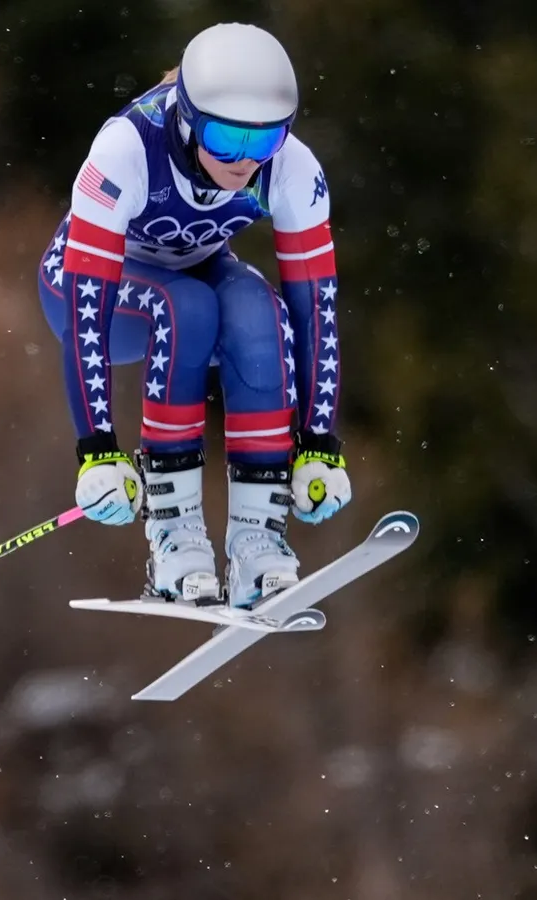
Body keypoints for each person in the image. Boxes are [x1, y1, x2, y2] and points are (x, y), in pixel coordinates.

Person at [37, 21, 352, 609]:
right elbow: (87, 309)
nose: (243, 162)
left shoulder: (292, 167)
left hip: (194, 271)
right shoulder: (127, 148)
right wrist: (97, 450)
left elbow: (318, 308)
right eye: (225, 140)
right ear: (186, 119)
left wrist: (319, 442)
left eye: (262, 143)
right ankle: (174, 538)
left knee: (261, 312)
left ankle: (258, 539)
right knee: (186, 307)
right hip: (91, 295)